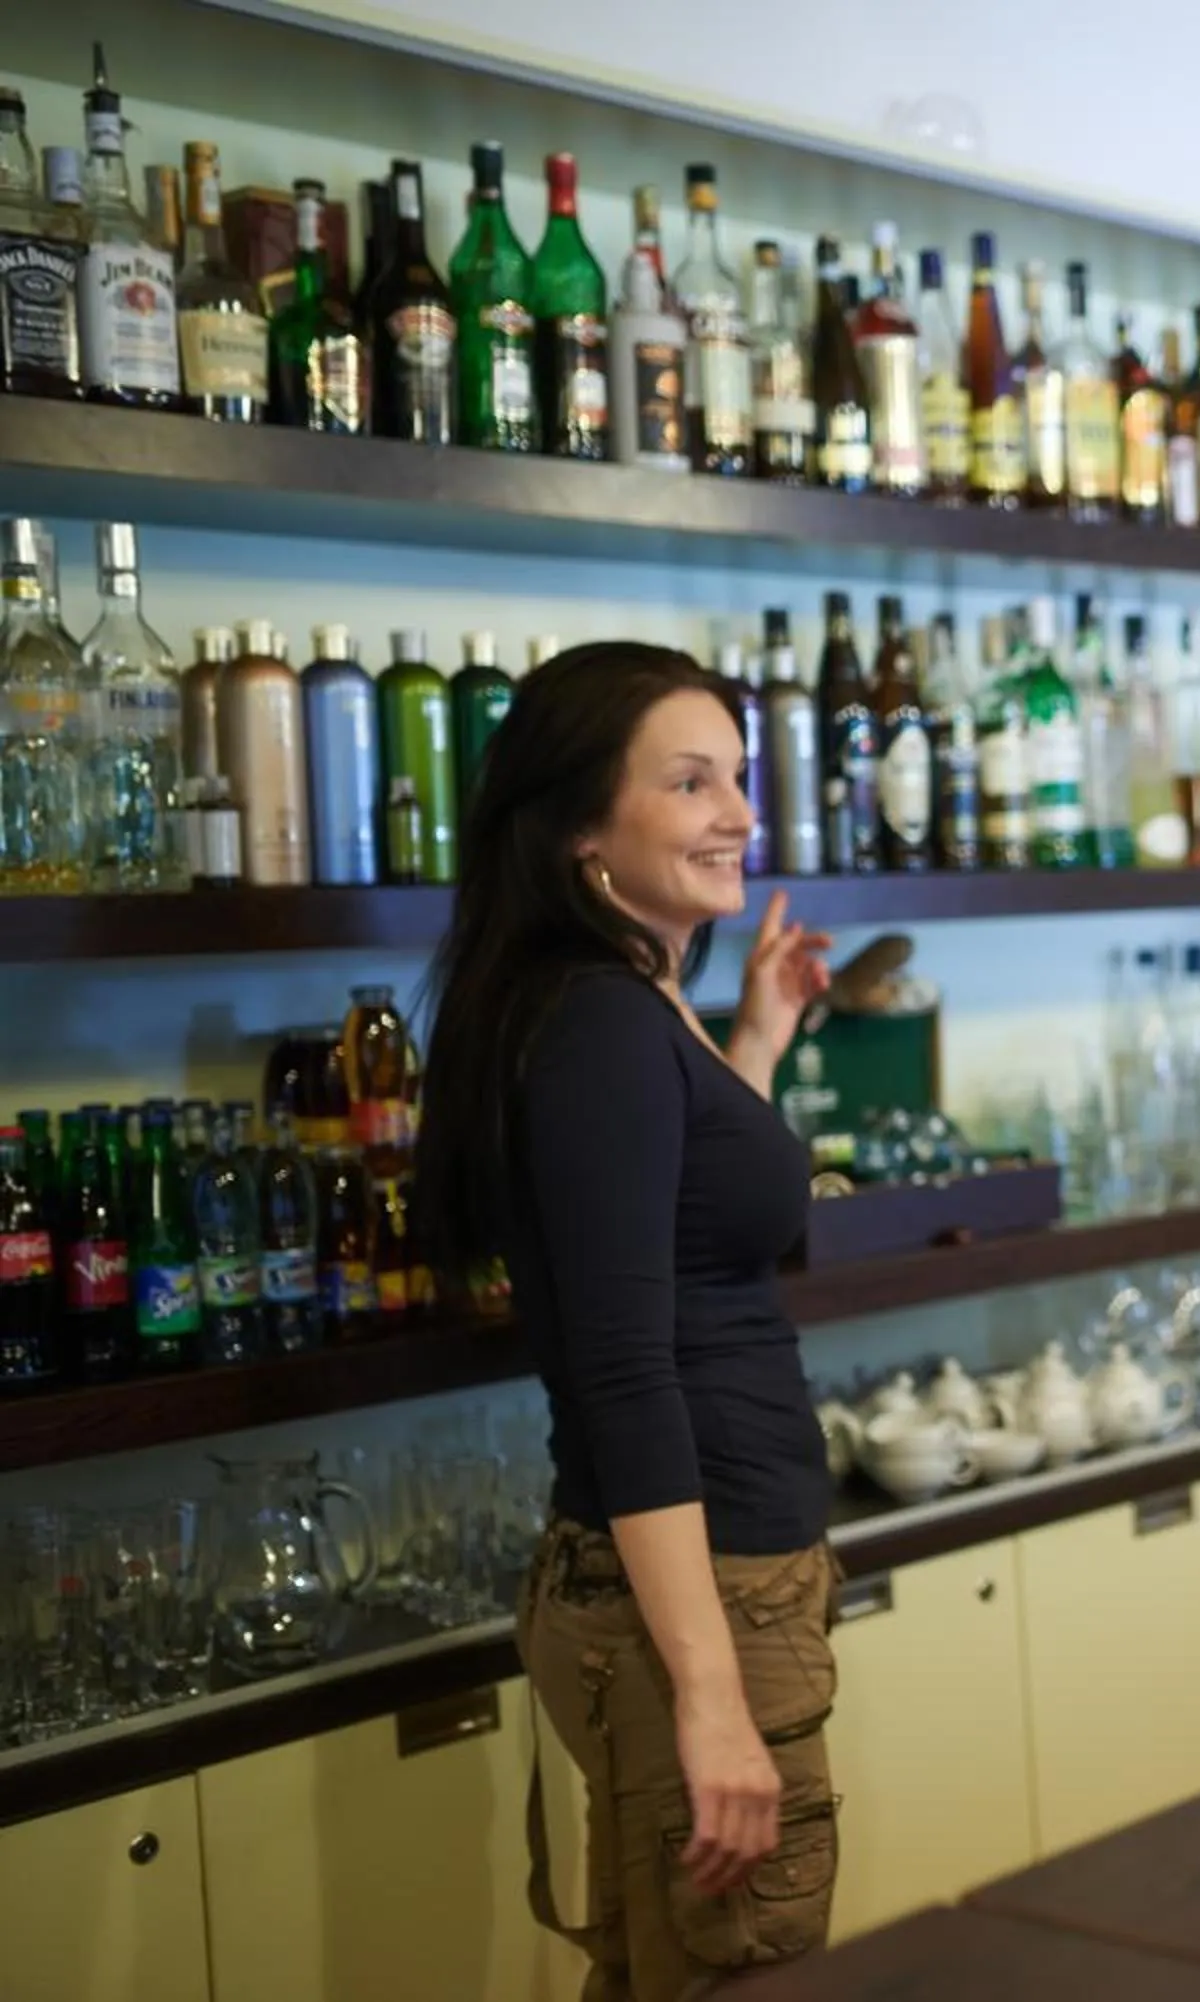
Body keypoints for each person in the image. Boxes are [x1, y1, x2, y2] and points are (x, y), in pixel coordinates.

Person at [417, 642, 836, 1999]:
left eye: (740, 779)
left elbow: (694, 1224)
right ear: (584, 827)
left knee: (665, 1967)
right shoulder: (599, 1021)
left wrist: (758, 1034)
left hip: (706, 1582)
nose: (738, 814)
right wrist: (708, 1691)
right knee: (737, 1964)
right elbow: (622, 1368)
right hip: (696, 1593)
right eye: (691, 781)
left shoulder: (635, 998)